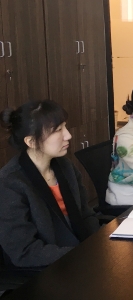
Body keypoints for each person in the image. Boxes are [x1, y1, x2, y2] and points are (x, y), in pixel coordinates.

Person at [0, 100, 99, 269]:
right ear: (31, 141)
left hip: (80, 257)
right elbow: (24, 251)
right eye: (58, 130)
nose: (68, 135)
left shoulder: (65, 166)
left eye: (65, 127)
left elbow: (86, 215)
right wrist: (81, 255)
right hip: (46, 268)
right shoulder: (10, 182)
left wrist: (100, 244)